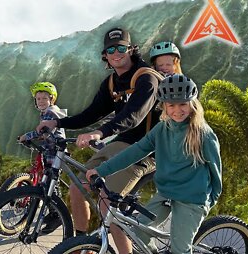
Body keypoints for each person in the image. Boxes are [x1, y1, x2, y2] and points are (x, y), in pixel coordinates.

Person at [37, 27, 159, 254]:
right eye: (111, 49)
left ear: (130, 50)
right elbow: (91, 113)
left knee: (107, 205)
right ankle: (82, 246)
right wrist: (57, 123)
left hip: (147, 149)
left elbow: (134, 115)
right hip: (120, 144)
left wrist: (99, 133)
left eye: (121, 47)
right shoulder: (111, 83)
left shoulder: (147, 78)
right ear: (105, 55)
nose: (116, 53)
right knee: (77, 187)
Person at [87, 74, 222, 254]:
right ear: (164, 106)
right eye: (171, 105)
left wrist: (208, 202)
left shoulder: (203, 134)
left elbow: (216, 171)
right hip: (166, 193)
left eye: (183, 104)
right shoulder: (162, 129)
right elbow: (134, 152)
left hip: (192, 199)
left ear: (192, 104)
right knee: (139, 234)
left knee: (180, 249)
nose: (177, 110)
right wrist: (102, 170)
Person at [18, 81, 67, 233]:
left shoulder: (50, 113)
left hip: (54, 151)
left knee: (50, 182)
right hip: (52, 150)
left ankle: (56, 215)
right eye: (38, 99)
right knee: (50, 182)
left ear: (52, 99)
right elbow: (47, 133)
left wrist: (27, 136)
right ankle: (54, 213)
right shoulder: (49, 112)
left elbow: (42, 131)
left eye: (44, 98)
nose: (40, 101)